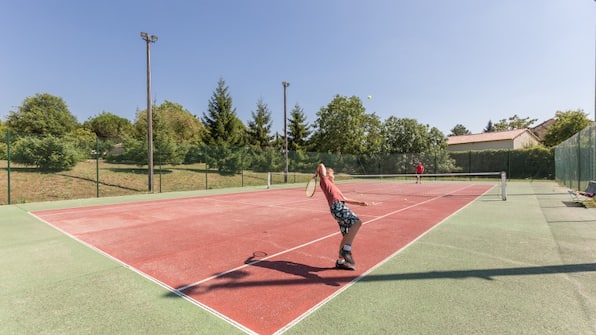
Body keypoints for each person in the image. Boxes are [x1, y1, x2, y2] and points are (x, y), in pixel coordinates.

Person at [315, 163, 368, 270]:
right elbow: (321, 165)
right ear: (328, 175)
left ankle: (340, 261)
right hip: (337, 207)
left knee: (346, 235)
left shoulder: (334, 187)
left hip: (338, 208)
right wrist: (316, 173)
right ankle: (346, 250)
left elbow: (344, 198)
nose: (334, 176)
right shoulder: (325, 182)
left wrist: (360, 203)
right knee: (357, 222)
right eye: (332, 174)